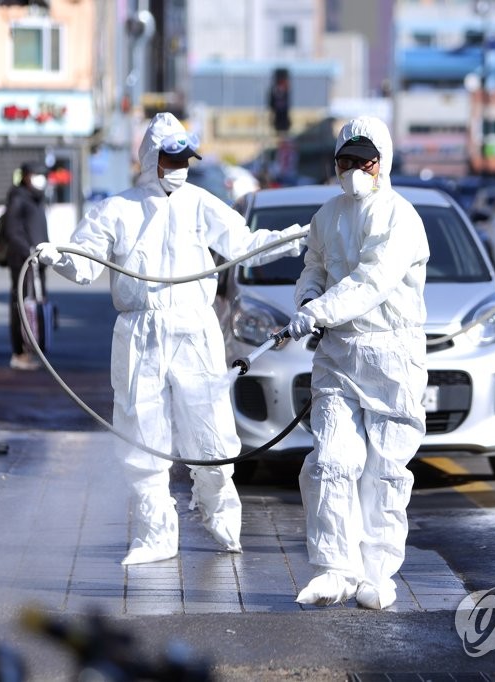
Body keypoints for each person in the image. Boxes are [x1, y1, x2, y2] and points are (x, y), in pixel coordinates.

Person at [34, 113, 307, 565]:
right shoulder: (116, 210)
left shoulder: (201, 203)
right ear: (151, 160)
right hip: (140, 332)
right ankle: (153, 535)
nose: (180, 167)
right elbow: (85, 266)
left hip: (195, 328)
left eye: (185, 159)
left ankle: (221, 516)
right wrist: (56, 256)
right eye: (172, 158)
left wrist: (292, 240)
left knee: (212, 430)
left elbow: (244, 243)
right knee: (143, 431)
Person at [288, 116, 430, 609]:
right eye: (345, 161)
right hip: (338, 354)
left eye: (362, 160)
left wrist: (320, 310)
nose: (353, 170)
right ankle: (334, 568)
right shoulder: (326, 215)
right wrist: (308, 298)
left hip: (392, 355)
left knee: (386, 472)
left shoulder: (401, 217)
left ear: (382, 162)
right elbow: (315, 265)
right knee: (331, 460)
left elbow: (373, 281)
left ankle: (377, 574)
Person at [5, 161, 51, 371]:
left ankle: (34, 347)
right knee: (21, 305)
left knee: (36, 305)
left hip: (38, 262)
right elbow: (13, 231)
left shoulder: (37, 198)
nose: (40, 179)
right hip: (23, 262)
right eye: (36, 175)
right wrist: (28, 251)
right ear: (25, 177)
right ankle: (19, 352)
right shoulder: (18, 198)